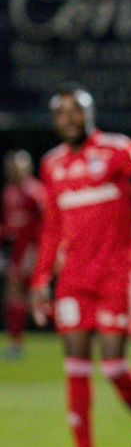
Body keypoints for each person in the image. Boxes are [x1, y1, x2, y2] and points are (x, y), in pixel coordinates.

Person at [31, 88, 131, 447]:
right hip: (73, 279)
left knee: (112, 365)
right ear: (55, 121)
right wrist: (41, 278)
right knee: (75, 364)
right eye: (62, 112)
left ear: (91, 113)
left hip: (114, 275)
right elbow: (52, 228)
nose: (70, 117)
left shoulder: (118, 150)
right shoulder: (52, 164)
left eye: (77, 109)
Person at [3, 149, 44, 359]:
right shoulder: (9, 192)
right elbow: (7, 224)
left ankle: (16, 344)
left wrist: (41, 251)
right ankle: (15, 343)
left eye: (17, 167)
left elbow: (48, 222)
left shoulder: (35, 191)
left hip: (31, 250)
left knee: (23, 294)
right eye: (11, 168)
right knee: (15, 296)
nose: (14, 171)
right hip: (16, 250)